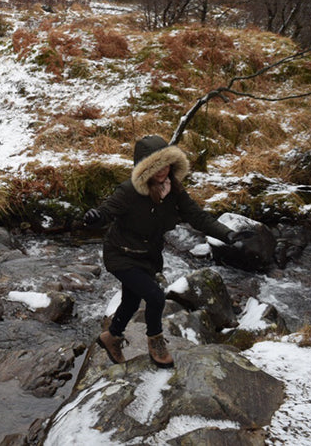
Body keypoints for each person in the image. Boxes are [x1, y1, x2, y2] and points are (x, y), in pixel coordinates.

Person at [82, 134, 239, 368]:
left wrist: (227, 234)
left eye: (165, 164)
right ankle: (155, 341)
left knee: (131, 302)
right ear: (144, 168)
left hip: (147, 256)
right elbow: (106, 211)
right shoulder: (129, 191)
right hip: (121, 254)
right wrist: (94, 218)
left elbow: (197, 216)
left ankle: (111, 336)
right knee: (155, 297)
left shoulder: (173, 190)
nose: (162, 170)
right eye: (155, 166)